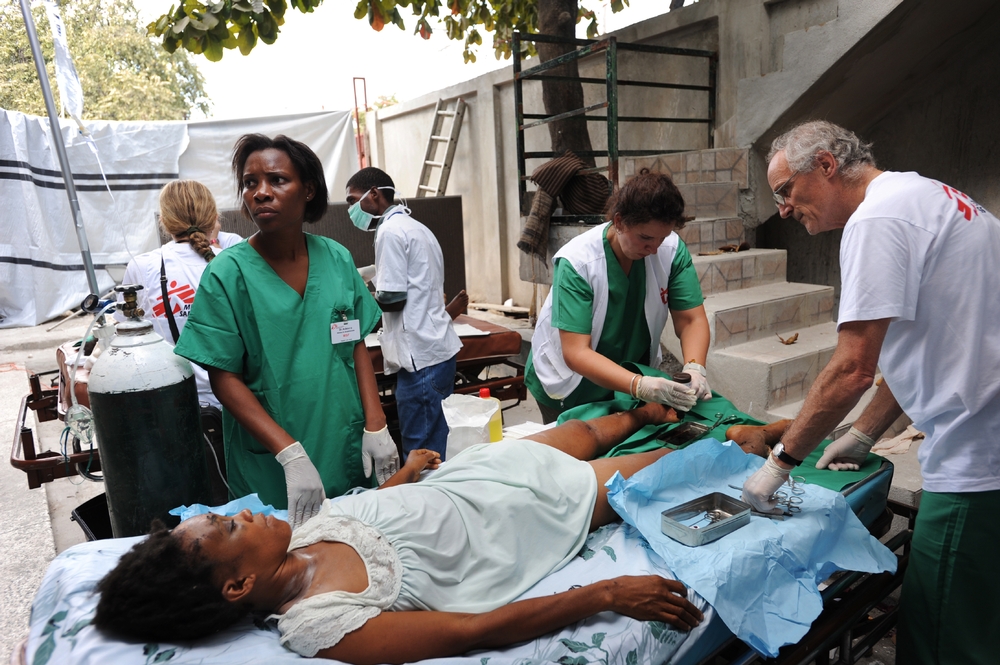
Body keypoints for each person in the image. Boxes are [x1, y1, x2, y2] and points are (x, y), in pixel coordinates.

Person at [93, 402, 704, 663]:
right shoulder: (321, 624)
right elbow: (470, 631)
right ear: (238, 585)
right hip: (513, 521)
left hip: (469, 479)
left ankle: (646, 413)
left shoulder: (295, 536)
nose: (244, 511)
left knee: (589, 432)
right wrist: (605, 594)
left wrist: (404, 475)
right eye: (228, 524)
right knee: (649, 470)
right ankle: (723, 440)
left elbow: (362, 514)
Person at [742, 120, 1000, 665]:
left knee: (941, 634)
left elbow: (852, 368)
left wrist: (781, 462)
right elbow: (933, 343)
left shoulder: (876, 220)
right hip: (985, 433)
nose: (783, 209)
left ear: (827, 166)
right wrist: (864, 432)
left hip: (979, 458)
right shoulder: (926, 196)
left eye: (786, 191)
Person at [174, 134, 399, 529]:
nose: (261, 193)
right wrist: (289, 454)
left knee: (354, 549)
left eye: (276, 180)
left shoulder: (336, 258)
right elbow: (224, 378)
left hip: (341, 439)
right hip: (272, 460)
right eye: (250, 183)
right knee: (284, 561)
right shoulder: (228, 274)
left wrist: (376, 423)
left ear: (308, 189)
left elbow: (355, 344)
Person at [525, 169, 713, 424]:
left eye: (663, 237)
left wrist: (694, 366)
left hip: (629, 376)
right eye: (645, 237)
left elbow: (691, 320)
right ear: (619, 221)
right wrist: (639, 385)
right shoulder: (578, 262)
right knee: (577, 451)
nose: (654, 248)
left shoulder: (671, 250)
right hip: (571, 384)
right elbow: (577, 352)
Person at [345, 167, 462, 458]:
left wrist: (353, 299)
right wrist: (372, 275)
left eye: (352, 200)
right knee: (437, 445)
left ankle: (427, 502)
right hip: (437, 351)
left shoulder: (389, 231)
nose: (350, 210)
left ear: (373, 194)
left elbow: (394, 299)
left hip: (419, 360)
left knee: (421, 454)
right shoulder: (416, 227)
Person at [116, 180, 224, 410]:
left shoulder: (142, 266)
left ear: (163, 220)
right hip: (235, 400)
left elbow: (126, 335)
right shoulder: (235, 261)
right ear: (214, 217)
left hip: (169, 397)